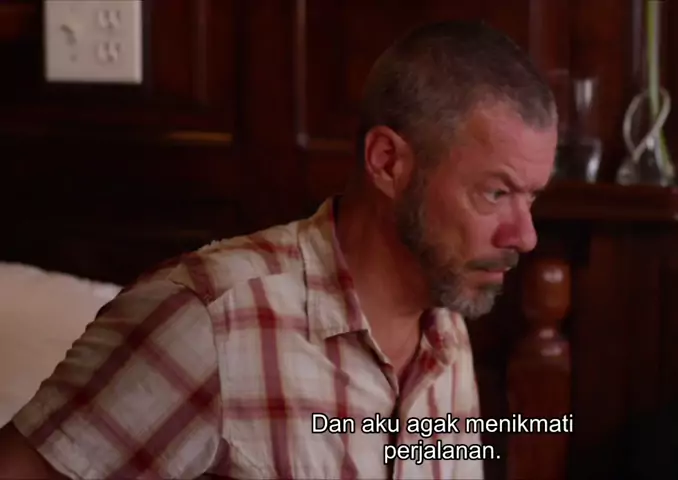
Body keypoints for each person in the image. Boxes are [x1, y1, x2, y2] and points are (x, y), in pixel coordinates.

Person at [0, 19, 558, 479]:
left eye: (531, 197)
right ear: (388, 162)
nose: (525, 235)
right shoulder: (208, 320)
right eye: (496, 193)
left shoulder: (447, 332)